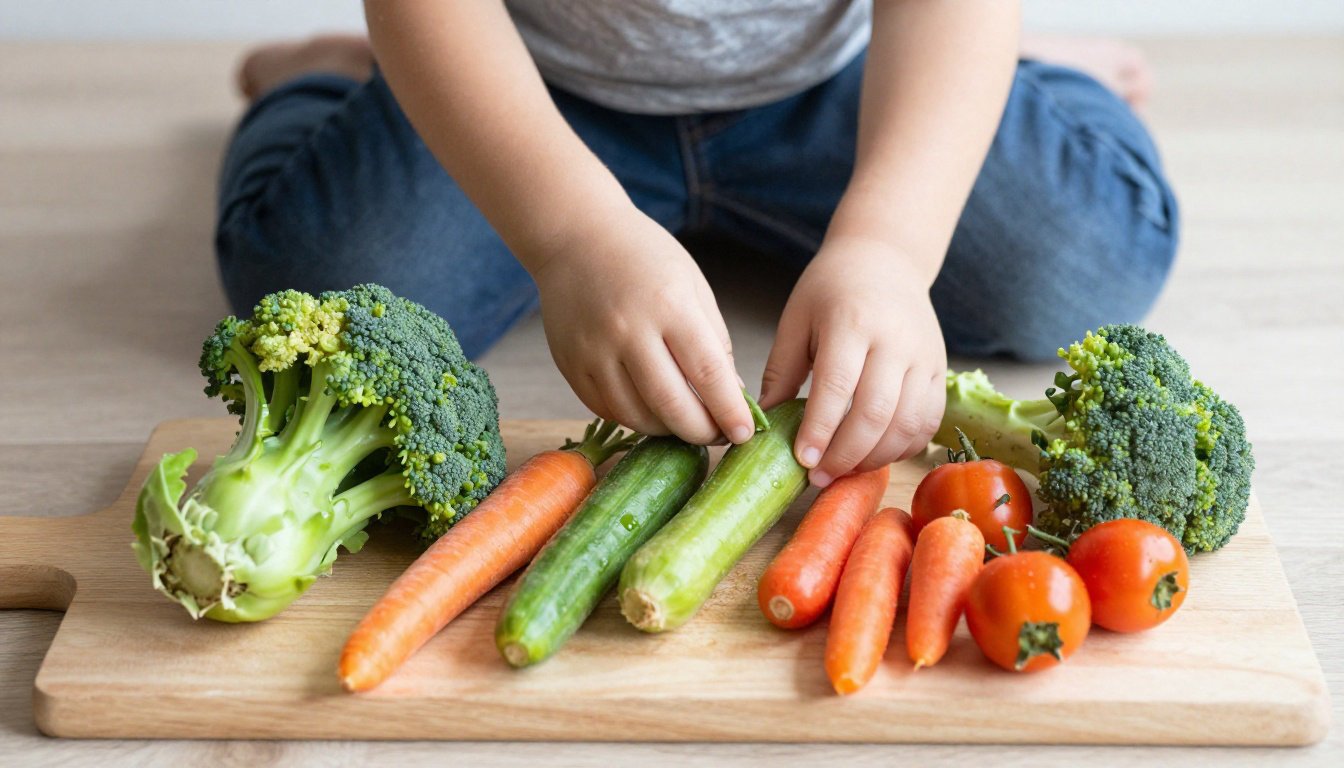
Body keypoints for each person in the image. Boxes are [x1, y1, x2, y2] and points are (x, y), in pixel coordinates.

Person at [215, 1, 1177, 488]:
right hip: (531, 94)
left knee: (1087, 258)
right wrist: (572, 238)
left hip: (847, 86)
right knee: (306, 273)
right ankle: (321, 77)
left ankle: (1032, 74)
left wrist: (888, 247)